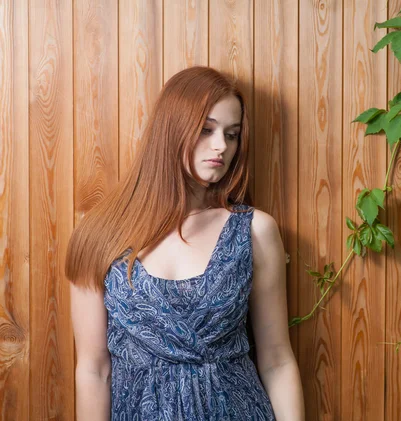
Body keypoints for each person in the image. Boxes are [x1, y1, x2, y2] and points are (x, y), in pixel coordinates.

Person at [65, 66, 305, 420]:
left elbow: (277, 360)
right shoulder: (99, 236)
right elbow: (92, 370)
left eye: (232, 134)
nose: (222, 146)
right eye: (206, 129)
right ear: (172, 129)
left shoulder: (254, 231)